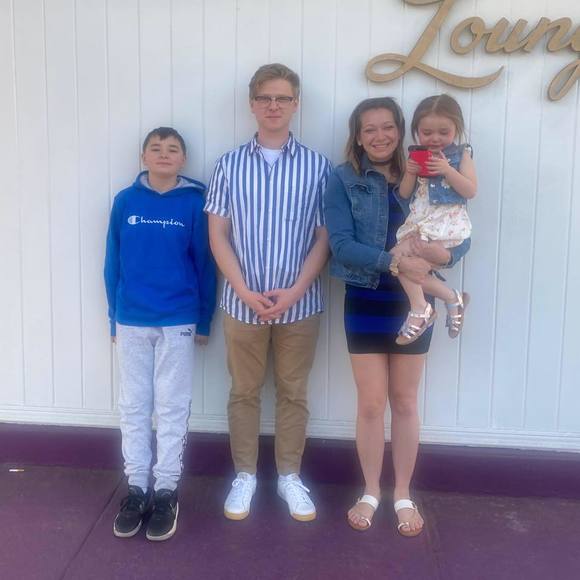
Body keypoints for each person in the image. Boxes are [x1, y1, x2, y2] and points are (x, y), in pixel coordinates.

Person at [324, 97, 469, 536]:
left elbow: (459, 230)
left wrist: (445, 255)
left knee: (405, 402)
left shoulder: (431, 168)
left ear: (400, 130)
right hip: (365, 297)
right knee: (371, 404)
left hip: (414, 301)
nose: (380, 136)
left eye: (388, 127)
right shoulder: (343, 178)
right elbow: (341, 245)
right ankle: (371, 490)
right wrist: (395, 262)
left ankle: (402, 493)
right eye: (369, 129)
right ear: (357, 136)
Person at [205, 63, 332, 522]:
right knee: (244, 391)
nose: (273, 106)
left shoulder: (318, 166)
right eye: (265, 98)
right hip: (242, 303)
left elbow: (324, 237)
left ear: (296, 103)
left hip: (301, 304)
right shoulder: (229, 164)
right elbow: (217, 233)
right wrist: (242, 288)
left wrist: (296, 290)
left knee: (293, 391)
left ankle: (289, 476)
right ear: (252, 104)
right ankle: (245, 475)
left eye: (282, 98)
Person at [104, 127, 216, 541]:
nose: (164, 154)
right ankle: (137, 488)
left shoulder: (195, 202)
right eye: (156, 148)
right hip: (132, 319)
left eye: (172, 149)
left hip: (178, 319)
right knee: (134, 404)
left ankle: (166, 489)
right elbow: (112, 262)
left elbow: (206, 264)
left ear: (183, 159)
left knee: (171, 404)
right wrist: (113, 318)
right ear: (143, 156)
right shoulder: (125, 201)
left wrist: (204, 320)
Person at [392, 94, 476, 345]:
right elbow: (404, 194)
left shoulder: (461, 155)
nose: (435, 138)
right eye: (427, 132)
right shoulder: (417, 156)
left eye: (444, 132)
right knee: (398, 261)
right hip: (421, 223)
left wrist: (448, 171)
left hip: (445, 225)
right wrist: (410, 173)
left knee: (401, 261)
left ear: (456, 129)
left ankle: (422, 309)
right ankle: (449, 298)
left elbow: (470, 190)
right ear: (416, 132)